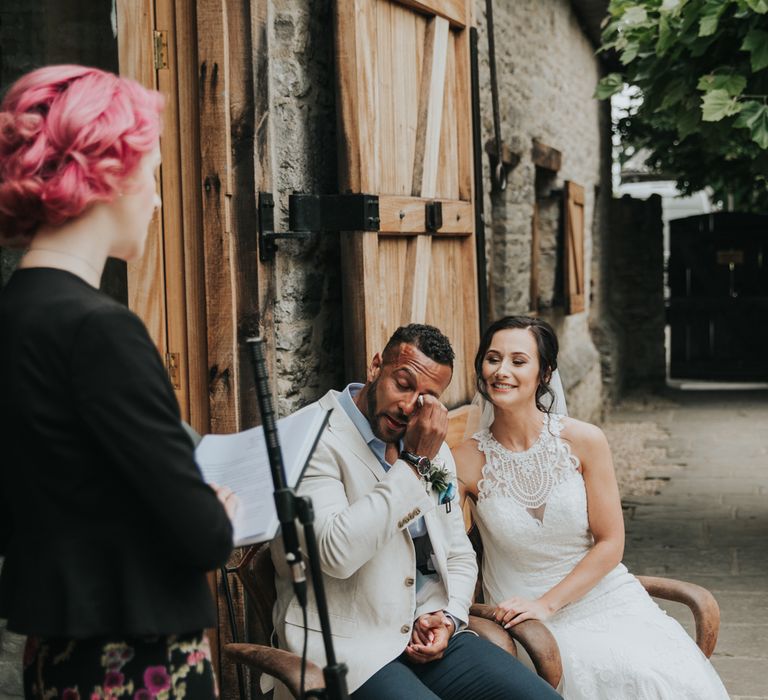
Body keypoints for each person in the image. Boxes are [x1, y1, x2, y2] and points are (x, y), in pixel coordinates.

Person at [0, 65, 236, 699]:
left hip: (54, 654)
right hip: (135, 661)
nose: (157, 198)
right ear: (105, 174)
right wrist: (214, 510)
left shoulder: (15, 312)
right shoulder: (100, 331)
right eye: (152, 172)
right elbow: (204, 536)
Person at [271, 324, 561, 700]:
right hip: (347, 648)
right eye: (403, 384)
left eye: (427, 397)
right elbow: (335, 554)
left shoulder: (430, 444)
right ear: (376, 367)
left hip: (425, 632)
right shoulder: (311, 438)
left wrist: (449, 617)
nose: (410, 406)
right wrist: (411, 464)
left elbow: (457, 551)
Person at [452, 316, 730, 699]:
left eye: (518, 361)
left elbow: (610, 542)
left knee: (664, 676)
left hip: (603, 596)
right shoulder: (463, 461)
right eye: (492, 359)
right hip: (522, 616)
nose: (501, 371)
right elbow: (445, 548)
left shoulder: (585, 441)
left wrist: (548, 603)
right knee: (614, 675)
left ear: (544, 372)